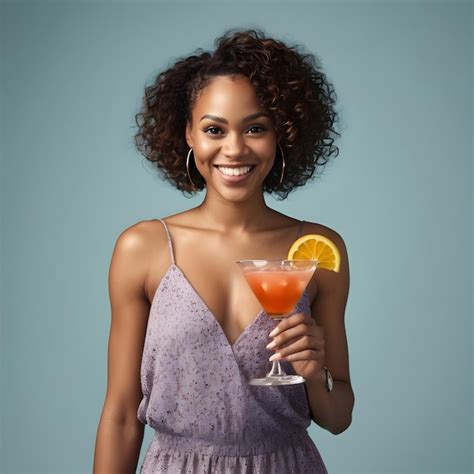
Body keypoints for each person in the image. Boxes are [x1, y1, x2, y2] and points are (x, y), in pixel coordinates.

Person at [93, 28, 354, 473]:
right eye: (215, 129)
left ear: (281, 136)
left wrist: (314, 373)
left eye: (256, 128)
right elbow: (120, 415)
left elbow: (338, 417)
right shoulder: (144, 248)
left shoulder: (318, 251)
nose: (234, 149)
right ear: (189, 136)